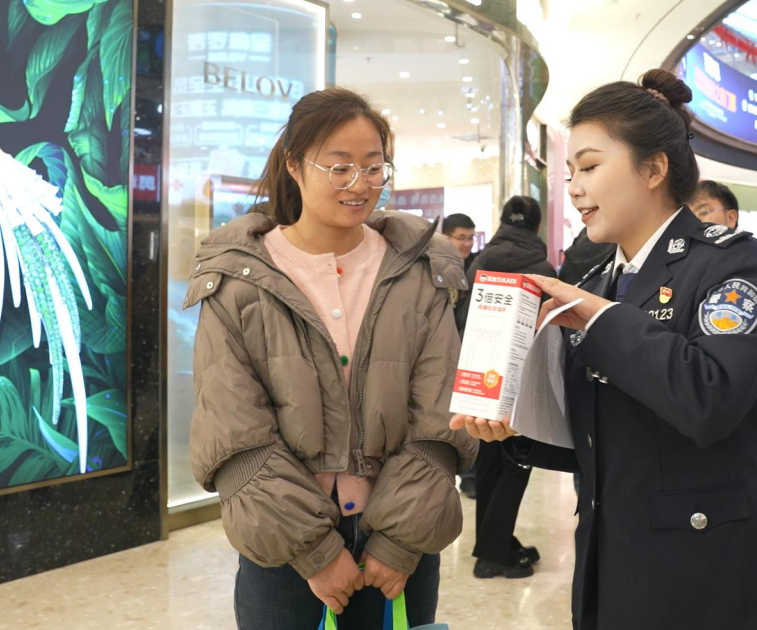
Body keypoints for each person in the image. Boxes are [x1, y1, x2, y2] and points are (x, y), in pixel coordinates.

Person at [453, 70, 757, 629]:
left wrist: (600, 317)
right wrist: (515, 429)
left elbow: (710, 400)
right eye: (570, 172)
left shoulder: (732, 261)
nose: (575, 188)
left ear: (654, 169)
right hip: (611, 564)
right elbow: (601, 437)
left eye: (589, 167)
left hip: (703, 576)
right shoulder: (599, 280)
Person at [185, 87, 477, 629]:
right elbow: (233, 428)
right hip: (283, 548)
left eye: (373, 167)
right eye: (340, 168)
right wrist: (315, 552)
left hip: (402, 542)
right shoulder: (236, 277)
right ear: (294, 165)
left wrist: (399, 541)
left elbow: (439, 416)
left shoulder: (422, 271)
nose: (359, 185)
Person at [458, 195, 555, 579]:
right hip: (521, 379)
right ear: (536, 225)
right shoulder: (543, 269)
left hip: (479, 377)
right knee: (517, 462)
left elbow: (462, 317)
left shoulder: (480, 262)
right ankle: (493, 554)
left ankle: (494, 541)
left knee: (488, 462)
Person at [689, 181, 757, 436]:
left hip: (755, 389)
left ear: (731, 217)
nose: (695, 220)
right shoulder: (688, 261)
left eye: (704, 211)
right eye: (689, 213)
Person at [442, 213, 480, 499]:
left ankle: (468, 475)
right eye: (461, 237)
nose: (467, 243)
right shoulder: (437, 267)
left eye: (470, 238)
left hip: (467, 353)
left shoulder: (476, 265)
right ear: (446, 237)